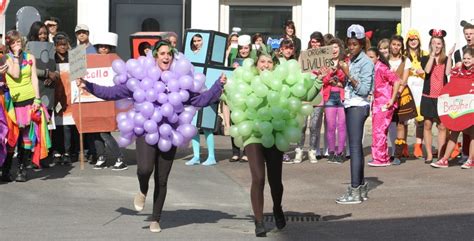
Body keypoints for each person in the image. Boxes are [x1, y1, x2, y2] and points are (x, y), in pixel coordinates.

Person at [76, 39, 226, 233]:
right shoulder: (140, 80)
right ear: (155, 56)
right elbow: (111, 93)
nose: (166, 57)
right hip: (146, 130)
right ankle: (143, 189)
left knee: (162, 179)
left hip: (170, 133)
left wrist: (218, 85)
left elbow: (201, 99)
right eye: (162, 53)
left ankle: (156, 218)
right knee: (144, 170)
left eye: (169, 54)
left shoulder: (180, 82)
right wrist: (87, 85)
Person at [239, 51, 322, 237]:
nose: (266, 65)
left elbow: (303, 94)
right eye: (262, 61)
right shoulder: (245, 80)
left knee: (275, 181)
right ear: (256, 64)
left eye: (269, 62)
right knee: (258, 178)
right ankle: (259, 221)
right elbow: (230, 95)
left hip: (276, 134)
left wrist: (318, 81)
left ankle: (277, 207)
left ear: (275, 66)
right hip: (253, 132)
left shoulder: (280, 82)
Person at [335, 24, 373, 204]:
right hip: (351, 103)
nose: (351, 47)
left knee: (355, 148)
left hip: (358, 106)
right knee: (355, 147)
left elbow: (365, 90)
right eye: (349, 44)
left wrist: (348, 74)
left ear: (362, 44)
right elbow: (351, 85)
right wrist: (341, 80)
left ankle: (354, 190)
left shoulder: (365, 62)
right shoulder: (353, 59)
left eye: (354, 44)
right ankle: (361, 187)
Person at [2, 30, 44, 182]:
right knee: (12, 136)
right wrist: (15, 56)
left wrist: (37, 99)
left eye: (18, 42)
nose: (16, 44)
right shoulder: (6, 58)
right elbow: (15, 74)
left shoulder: (30, 57)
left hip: (28, 100)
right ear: (9, 44)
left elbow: (34, 78)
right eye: (13, 42)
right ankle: (6, 170)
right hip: (12, 103)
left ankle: (22, 169)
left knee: (26, 136)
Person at [89, 32, 127, 171]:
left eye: (106, 46)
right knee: (94, 130)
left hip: (108, 101)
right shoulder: (91, 61)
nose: (103, 49)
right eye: (101, 46)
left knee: (104, 132)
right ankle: (101, 157)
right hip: (93, 101)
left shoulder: (116, 61)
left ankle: (119, 158)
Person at [431, 48, 473, 169]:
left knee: (473, 133)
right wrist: (450, 56)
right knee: (454, 131)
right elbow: (450, 81)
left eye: (469, 58)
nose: (466, 61)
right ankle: (444, 159)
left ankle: (470, 160)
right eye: (464, 58)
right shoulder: (458, 71)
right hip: (459, 107)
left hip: (471, 107)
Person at [26, 21, 60, 168]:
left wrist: (54, 76)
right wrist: (47, 74)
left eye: (45, 33)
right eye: (40, 33)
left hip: (49, 90)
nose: (43, 36)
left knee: (46, 125)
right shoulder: (28, 47)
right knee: (34, 124)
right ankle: (32, 156)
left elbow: (57, 69)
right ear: (34, 34)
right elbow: (29, 68)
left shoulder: (51, 48)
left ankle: (44, 156)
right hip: (35, 91)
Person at [291, 31, 327, 164]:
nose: (315, 44)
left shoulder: (325, 55)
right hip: (305, 94)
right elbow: (299, 72)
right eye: (313, 41)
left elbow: (328, 73)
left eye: (318, 41)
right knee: (302, 124)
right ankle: (299, 150)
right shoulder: (304, 55)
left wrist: (323, 73)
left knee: (314, 125)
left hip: (319, 94)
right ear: (310, 42)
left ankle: (312, 150)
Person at [421, 29, 454, 165]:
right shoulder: (425, 58)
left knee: (442, 126)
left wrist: (450, 56)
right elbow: (427, 70)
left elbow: (447, 73)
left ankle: (441, 154)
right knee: (427, 124)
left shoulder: (446, 59)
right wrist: (432, 56)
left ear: (443, 45)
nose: (436, 45)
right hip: (428, 96)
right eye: (434, 43)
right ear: (430, 44)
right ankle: (429, 154)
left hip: (442, 96)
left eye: (439, 43)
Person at [366, 47, 401, 167]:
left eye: (371, 57)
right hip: (377, 102)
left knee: (379, 130)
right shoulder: (373, 68)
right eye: (367, 57)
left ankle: (381, 158)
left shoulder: (381, 68)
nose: (369, 59)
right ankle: (381, 156)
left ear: (377, 57)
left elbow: (397, 80)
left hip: (384, 103)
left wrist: (392, 98)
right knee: (378, 130)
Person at [387, 35, 416, 165]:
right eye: (394, 44)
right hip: (386, 93)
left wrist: (397, 93)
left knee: (400, 124)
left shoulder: (406, 60)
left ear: (401, 47)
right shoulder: (384, 60)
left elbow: (404, 80)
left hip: (401, 94)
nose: (396, 47)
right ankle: (386, 151)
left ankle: (397, 154)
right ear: (390, 45)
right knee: (386, 123)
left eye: (398, 45)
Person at [53, 32, 79, 165]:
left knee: (68, 126)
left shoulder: (73, 58)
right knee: (56, 125)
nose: (62, 47)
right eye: (59, 45)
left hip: (70, 95)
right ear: (55, 46)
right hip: (55, 95)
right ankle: (57, 151)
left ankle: (68, 152)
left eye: (64, 45)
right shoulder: (52, 59)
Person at [322, 38, 347, 164]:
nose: (334, 50)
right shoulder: (325, 62)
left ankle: (340, 152)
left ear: (340, 49)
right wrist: (330, 74)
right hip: (330, 96)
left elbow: (346, 78)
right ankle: (331, 151)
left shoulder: (345, 62)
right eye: (332, 47)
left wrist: (337, 71)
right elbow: (323, 80)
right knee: (330, 125)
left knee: (342, 125)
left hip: (342, 96)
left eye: (336, 47)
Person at [404, 29, 428, 159]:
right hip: (408, 86)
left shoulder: (425, 54)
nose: (413, 41)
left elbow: (430, 72)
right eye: (411, 39)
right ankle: (404, 145)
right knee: (405, 118)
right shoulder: (403, 54)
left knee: (421, 118)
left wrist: (422, 73)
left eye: (415, 39)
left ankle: (419, 145)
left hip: (421, 86)